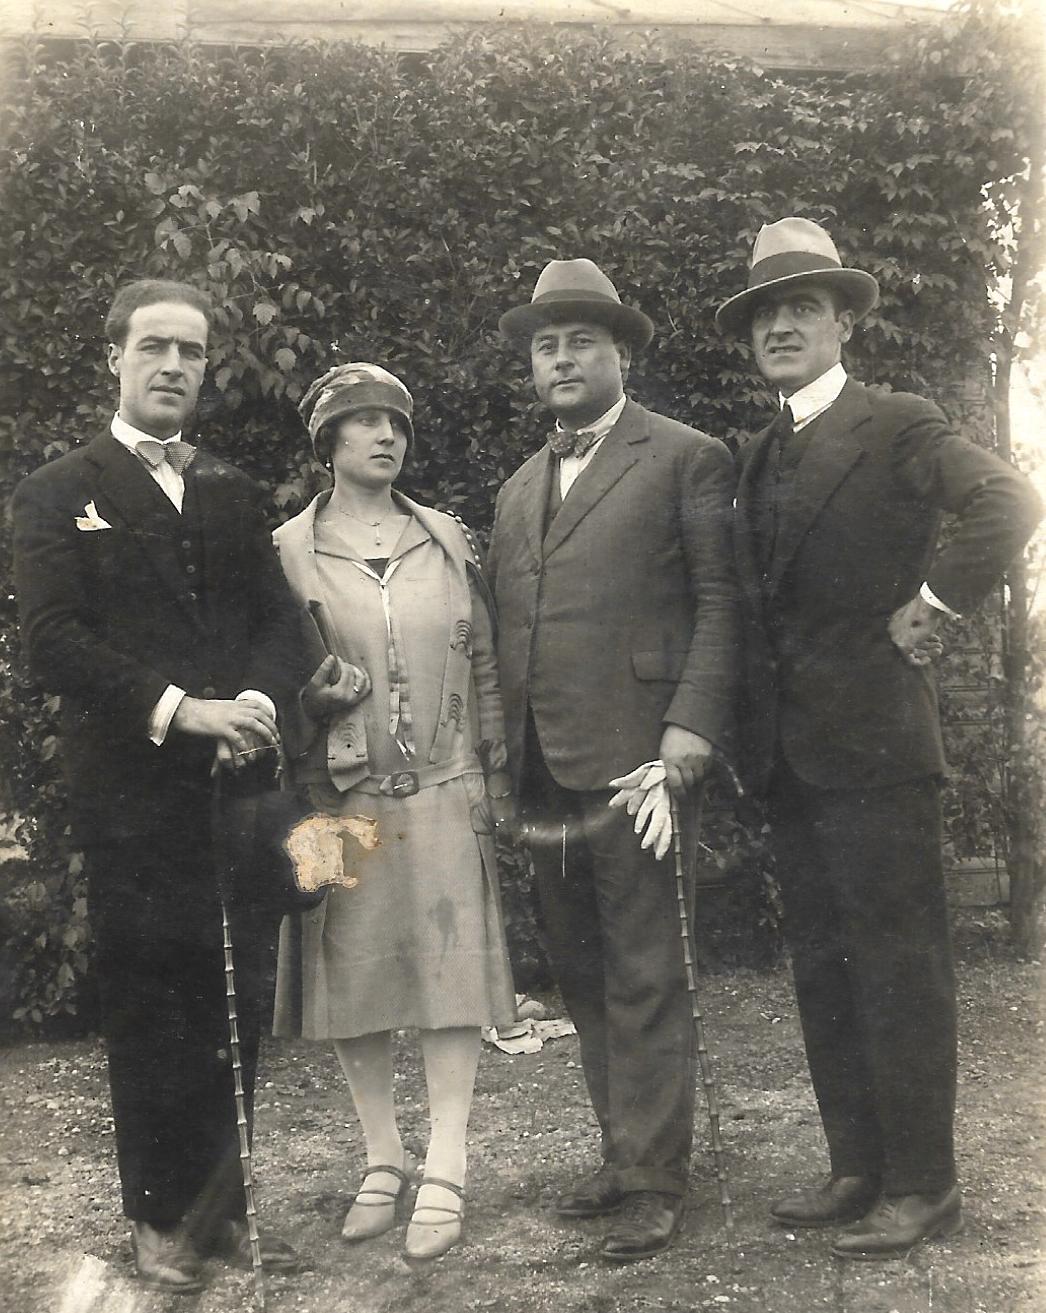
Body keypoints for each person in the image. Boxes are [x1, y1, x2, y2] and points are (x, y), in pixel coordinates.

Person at [717, 217, 1042, 1258]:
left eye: (800, 308)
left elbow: (1006, 497)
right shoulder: (756, 450)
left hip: (876, 756)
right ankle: (856, 1164)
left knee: (898, 967)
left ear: (842, 320)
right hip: (788, 760)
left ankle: (923, 1183)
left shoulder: (894, 421)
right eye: (764, 312)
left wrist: (936, 602)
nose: (780, 327)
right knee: (821, 964)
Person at [12, 279, 308, 1293]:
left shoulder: (229, 486)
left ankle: (221, 1213)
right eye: (155, 347)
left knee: (235, 1009)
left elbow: (284, 626)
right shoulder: (59, 489)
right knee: (152, 1011)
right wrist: (186, 710)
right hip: (133, 802)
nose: (175, 365)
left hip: (237, 795)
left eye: (191, 350)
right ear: (115, 358)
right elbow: (53, 642)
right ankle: (159, 1221)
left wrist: (259, 706)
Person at [488, 259, 739, 1261]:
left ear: (618, 353)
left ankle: (653, 1177)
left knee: (644, 968)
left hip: (638, 760)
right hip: (542, 768)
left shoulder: (683, 457)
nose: (559, 356)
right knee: (581, 969)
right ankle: (621, 1146)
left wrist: (687, 732)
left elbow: (722, 604)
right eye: (545, 344)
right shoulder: (514, 489)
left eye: (579, 340)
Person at [271, 363, 517, 1262]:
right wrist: (311, 696)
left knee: (453, 976)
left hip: (446, 786)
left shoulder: (446, 537)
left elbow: (484, 660)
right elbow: (267, 678)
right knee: (354, 974)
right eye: (363, 423)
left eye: (396, 425)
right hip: (335, 796)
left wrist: (490, 765)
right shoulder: (287, 550)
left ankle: (446, 1161)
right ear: (327, 442)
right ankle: (384, 1155)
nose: (385, 437)